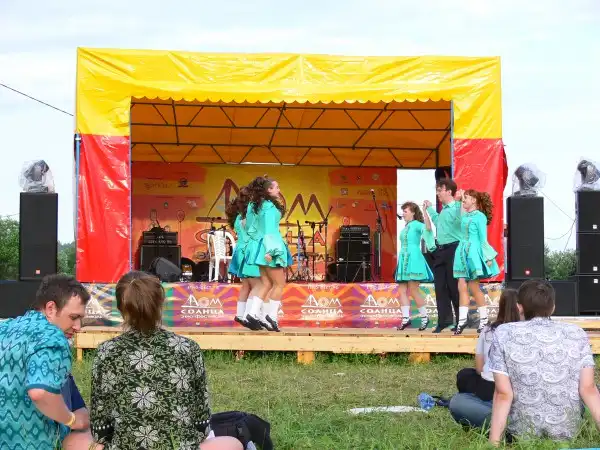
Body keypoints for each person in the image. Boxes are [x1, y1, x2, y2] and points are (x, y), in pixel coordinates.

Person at [90, 271, 242, 450]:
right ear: (160, 304)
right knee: (234, 444)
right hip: (181, 446)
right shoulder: (188, 348)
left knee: (76, 440)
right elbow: (201, 422)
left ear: (120, 308)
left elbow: (100, 428)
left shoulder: (105, 351)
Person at [488, 280, 600, 445]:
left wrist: (493, 444)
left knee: (463, 403)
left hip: (523, 436)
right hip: (569, 434)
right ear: (553, 307)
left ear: (519, 307)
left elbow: (503, 394)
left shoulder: (503, 333)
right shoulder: (576, 333)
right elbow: (588, 389)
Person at [0, 274, 97, 450]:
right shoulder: (53, 336)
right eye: (73, 317)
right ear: (50, 308)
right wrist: (72, 420)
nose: (78, 327)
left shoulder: (5, 328)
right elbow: (40, 392)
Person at [448, 289, 520, 429]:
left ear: (500, 306)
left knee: (464, 385)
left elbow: (480, 368)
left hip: (494, 387)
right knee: (466, 375)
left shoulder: (488, 330)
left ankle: (494, 419)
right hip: (512, 388)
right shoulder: (525, 332)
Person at [244, 176, 292, 332]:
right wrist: (271, 251)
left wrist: (261, 245)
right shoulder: (269, 207)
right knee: (279, 284)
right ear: (269, 190)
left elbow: (250, 228)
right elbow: (270, 231)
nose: (279, 190)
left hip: (261, 248)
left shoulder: (257, 206)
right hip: (271, 248)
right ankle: (271, 316)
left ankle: (253, 313)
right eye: (276, 187)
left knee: (266, 284)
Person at [452, 189, 500, 335]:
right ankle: (462, 321)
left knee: (473, 287)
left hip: (473, 253)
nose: (464, 201)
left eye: (466, 198)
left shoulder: (480, 216)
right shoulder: (465, 215)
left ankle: (484, 319)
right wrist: (460, 199)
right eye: (464, 198)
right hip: (462, 252)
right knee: (461, 285)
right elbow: (460, 215)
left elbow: (483, 239)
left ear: (473, 200)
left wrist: (488, 257)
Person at [424, 178, 464, 333]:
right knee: (440, 286)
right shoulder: (444, 210)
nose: (438, 193)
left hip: (454, 249)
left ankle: (460, 320)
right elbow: (437, 221)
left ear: (449, 192)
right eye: (437, 190)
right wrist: (429, 208)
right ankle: (444, 321)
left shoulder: (458, 207)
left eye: (440, 190)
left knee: (454, 286)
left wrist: (460, 202)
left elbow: (461, 220)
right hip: (440, 250)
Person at [226, 186, 261, 331]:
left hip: (240, 251)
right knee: (258, 285)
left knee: (246, 285)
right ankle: (248, 315)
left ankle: (240, 314)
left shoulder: (239, 217)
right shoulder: (250, 217)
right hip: (249, 251)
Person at [395, 201, 434, 331]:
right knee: (401, 290)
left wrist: (425, 212)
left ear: (412, 212)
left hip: (414, 258)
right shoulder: (406, 227)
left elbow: (428, 229)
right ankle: (406, 319)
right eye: (403, 211)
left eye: (405, 211)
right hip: (404, 258)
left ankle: (425, 317)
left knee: (413, 289)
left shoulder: (417, 224)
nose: (403, 213)